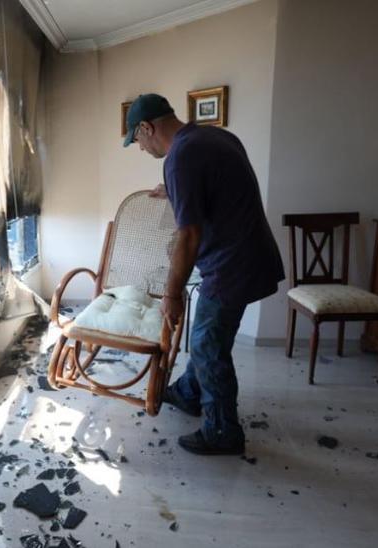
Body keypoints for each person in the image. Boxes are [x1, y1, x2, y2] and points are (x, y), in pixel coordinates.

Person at [123, 93, 284, 455]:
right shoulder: (215, 137)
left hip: (231, 266)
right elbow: (218, 191)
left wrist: (172, 294)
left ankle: (223, 432)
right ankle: (189, 393)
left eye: (137, 139)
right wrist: (176, 193)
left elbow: (189, 234)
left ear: (147, 128)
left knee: (209, 346)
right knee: (206, 336)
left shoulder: (180, 157)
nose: (140, 148)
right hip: (251, 255)